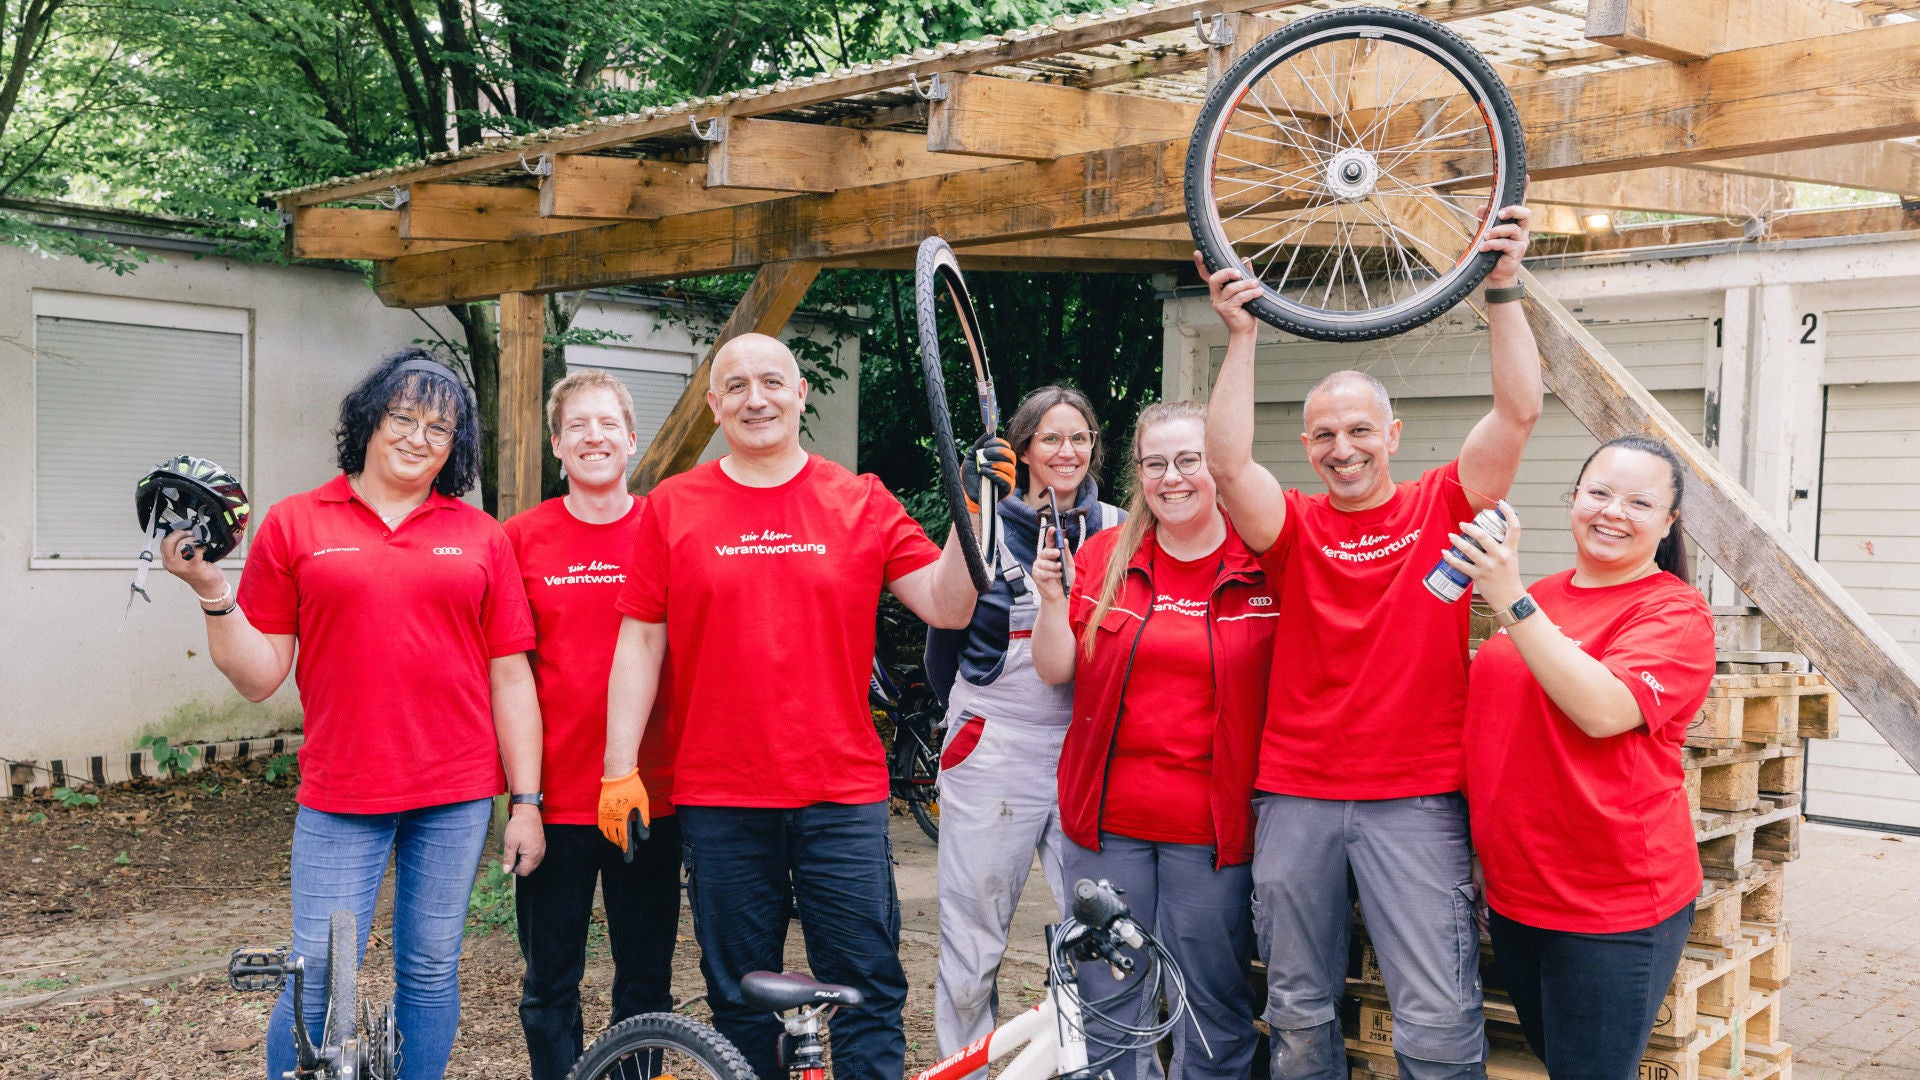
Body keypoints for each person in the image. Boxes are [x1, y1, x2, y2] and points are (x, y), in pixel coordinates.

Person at [1199, 202, 1542, 1080]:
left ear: (1390, 435)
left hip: (1416, 801)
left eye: (1359, 431)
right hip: (1297, 797)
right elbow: (1228, 465)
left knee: (1436, 1018)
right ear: (1307, 446)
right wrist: (1241, 336)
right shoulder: (1294, 527)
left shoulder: (1443, 506)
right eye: (1323, 435)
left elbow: (1517, 414)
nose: (1342, 448)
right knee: (1299, 1012)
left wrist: (1503, 289)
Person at [598, 332, 982, 1080]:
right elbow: (639, 641)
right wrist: (620, 768)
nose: (756, 399)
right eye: (737, 387)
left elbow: (947, 605)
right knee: (740, 997)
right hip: (721, 795)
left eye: (772, 382)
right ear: (714, 406)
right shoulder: (672, 506)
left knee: (866, 990)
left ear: (801, 394)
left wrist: (974, 512)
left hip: (840, 793)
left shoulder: (860, 499)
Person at [161, 350, 544, 1080]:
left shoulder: (481, 535)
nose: (418, 437)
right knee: (315, 974)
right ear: (370, 420)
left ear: (456, 445)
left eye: (439, 427)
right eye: (403, 416)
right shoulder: (297, 522)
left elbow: (510, 677)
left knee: (429, 971)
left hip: (457, 790)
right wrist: (212, 591)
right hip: (343, 788)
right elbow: (260, 676)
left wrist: (525, 801)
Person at [1447, 436, 1714, 1080]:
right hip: (1518, 891)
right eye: (1599, 493)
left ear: (1669, 522)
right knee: (1555, 1056)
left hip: (1611, 905)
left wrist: (1510, 599)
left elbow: (1603, 710)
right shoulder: (1543, 595)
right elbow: (1495, 733)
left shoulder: (1675, 611)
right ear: (1573, 499)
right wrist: (1482, 853)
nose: (1613, 511)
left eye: (1639, 502)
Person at [1030, 399, 1277, 1080]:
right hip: (1106, 827)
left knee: (1210, 1004)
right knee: (1109, 1005)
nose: (1172, 478)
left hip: (1213, 832)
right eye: (1154, 464)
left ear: (1219, 467)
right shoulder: (1104, 556)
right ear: (1138, 474)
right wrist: (1051, 602)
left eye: (1189, 460)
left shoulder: (1263, 562)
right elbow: (1055, 669)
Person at [924, 385, 1123, 1066]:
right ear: (1024, 449)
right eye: (1051, 439)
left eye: (1080, 438)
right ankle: (962, 1066)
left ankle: (1090, 1063)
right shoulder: (979, 524)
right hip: (993, 743)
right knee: (973, 937)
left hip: (1087, 745)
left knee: (1100, 926)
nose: (1067, 452)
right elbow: (941, 646)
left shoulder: (1120, 529)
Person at [504, 371, 681, 1080]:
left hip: (650, 794)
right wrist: (523, 801)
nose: (593, 437)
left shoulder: (668, 529)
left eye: (608, 424)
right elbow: (507, 674)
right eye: (576, 425)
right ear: (556, 445)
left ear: (632, 439)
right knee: (550, 984)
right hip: (554, 801)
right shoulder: (521, 539)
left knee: (646, 980)